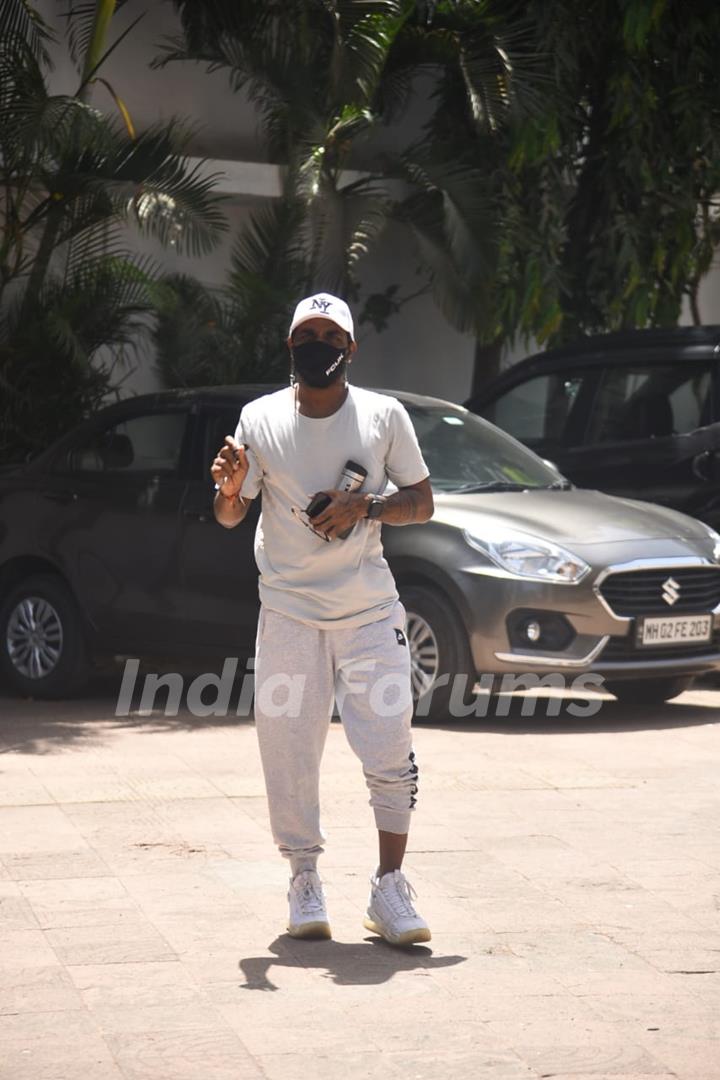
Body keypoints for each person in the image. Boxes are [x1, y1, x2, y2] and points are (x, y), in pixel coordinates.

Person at [210, 292, 434, 947]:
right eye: (306, 333)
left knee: (389, 746)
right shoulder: (259, 419)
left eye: (330, 335)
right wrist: (228, 491)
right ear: (290, 347)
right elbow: (231, 516)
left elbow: (421, 502)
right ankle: (304, 879)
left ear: (351, 349)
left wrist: (366, 507)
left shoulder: (383, 415)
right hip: (288, 617)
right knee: (287, 751)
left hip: (369, 613)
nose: (318, 344)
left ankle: (390, 887)